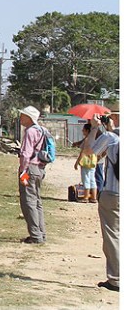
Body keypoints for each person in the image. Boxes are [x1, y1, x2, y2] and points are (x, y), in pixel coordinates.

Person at [86, 114, 119, 292]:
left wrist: (94, 127)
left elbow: (90, 151)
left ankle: (116, 279)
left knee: (112, 236)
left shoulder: (111, 138)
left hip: (113, 193)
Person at [17, 105, 46, 244]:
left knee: (28, 201)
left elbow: (25, 154)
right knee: (37, 201)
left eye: (23, 115)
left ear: (29, 118)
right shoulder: (41, 130)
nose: (20, 117)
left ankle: (35, 236)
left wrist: (22, 172)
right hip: (39, 169)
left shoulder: (29, 132)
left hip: (29, 169)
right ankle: (41, 233)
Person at [74, 124, 98, 203]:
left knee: (86, 179)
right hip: (92, 162)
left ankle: (86, 197)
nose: (82, 131)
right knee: (92, 180)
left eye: (83, 130)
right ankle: (94, 197)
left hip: (86, 162)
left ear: (87, 131)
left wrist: (77, 162)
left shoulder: (87, 140)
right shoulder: (94, 139)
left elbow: (83, 152)